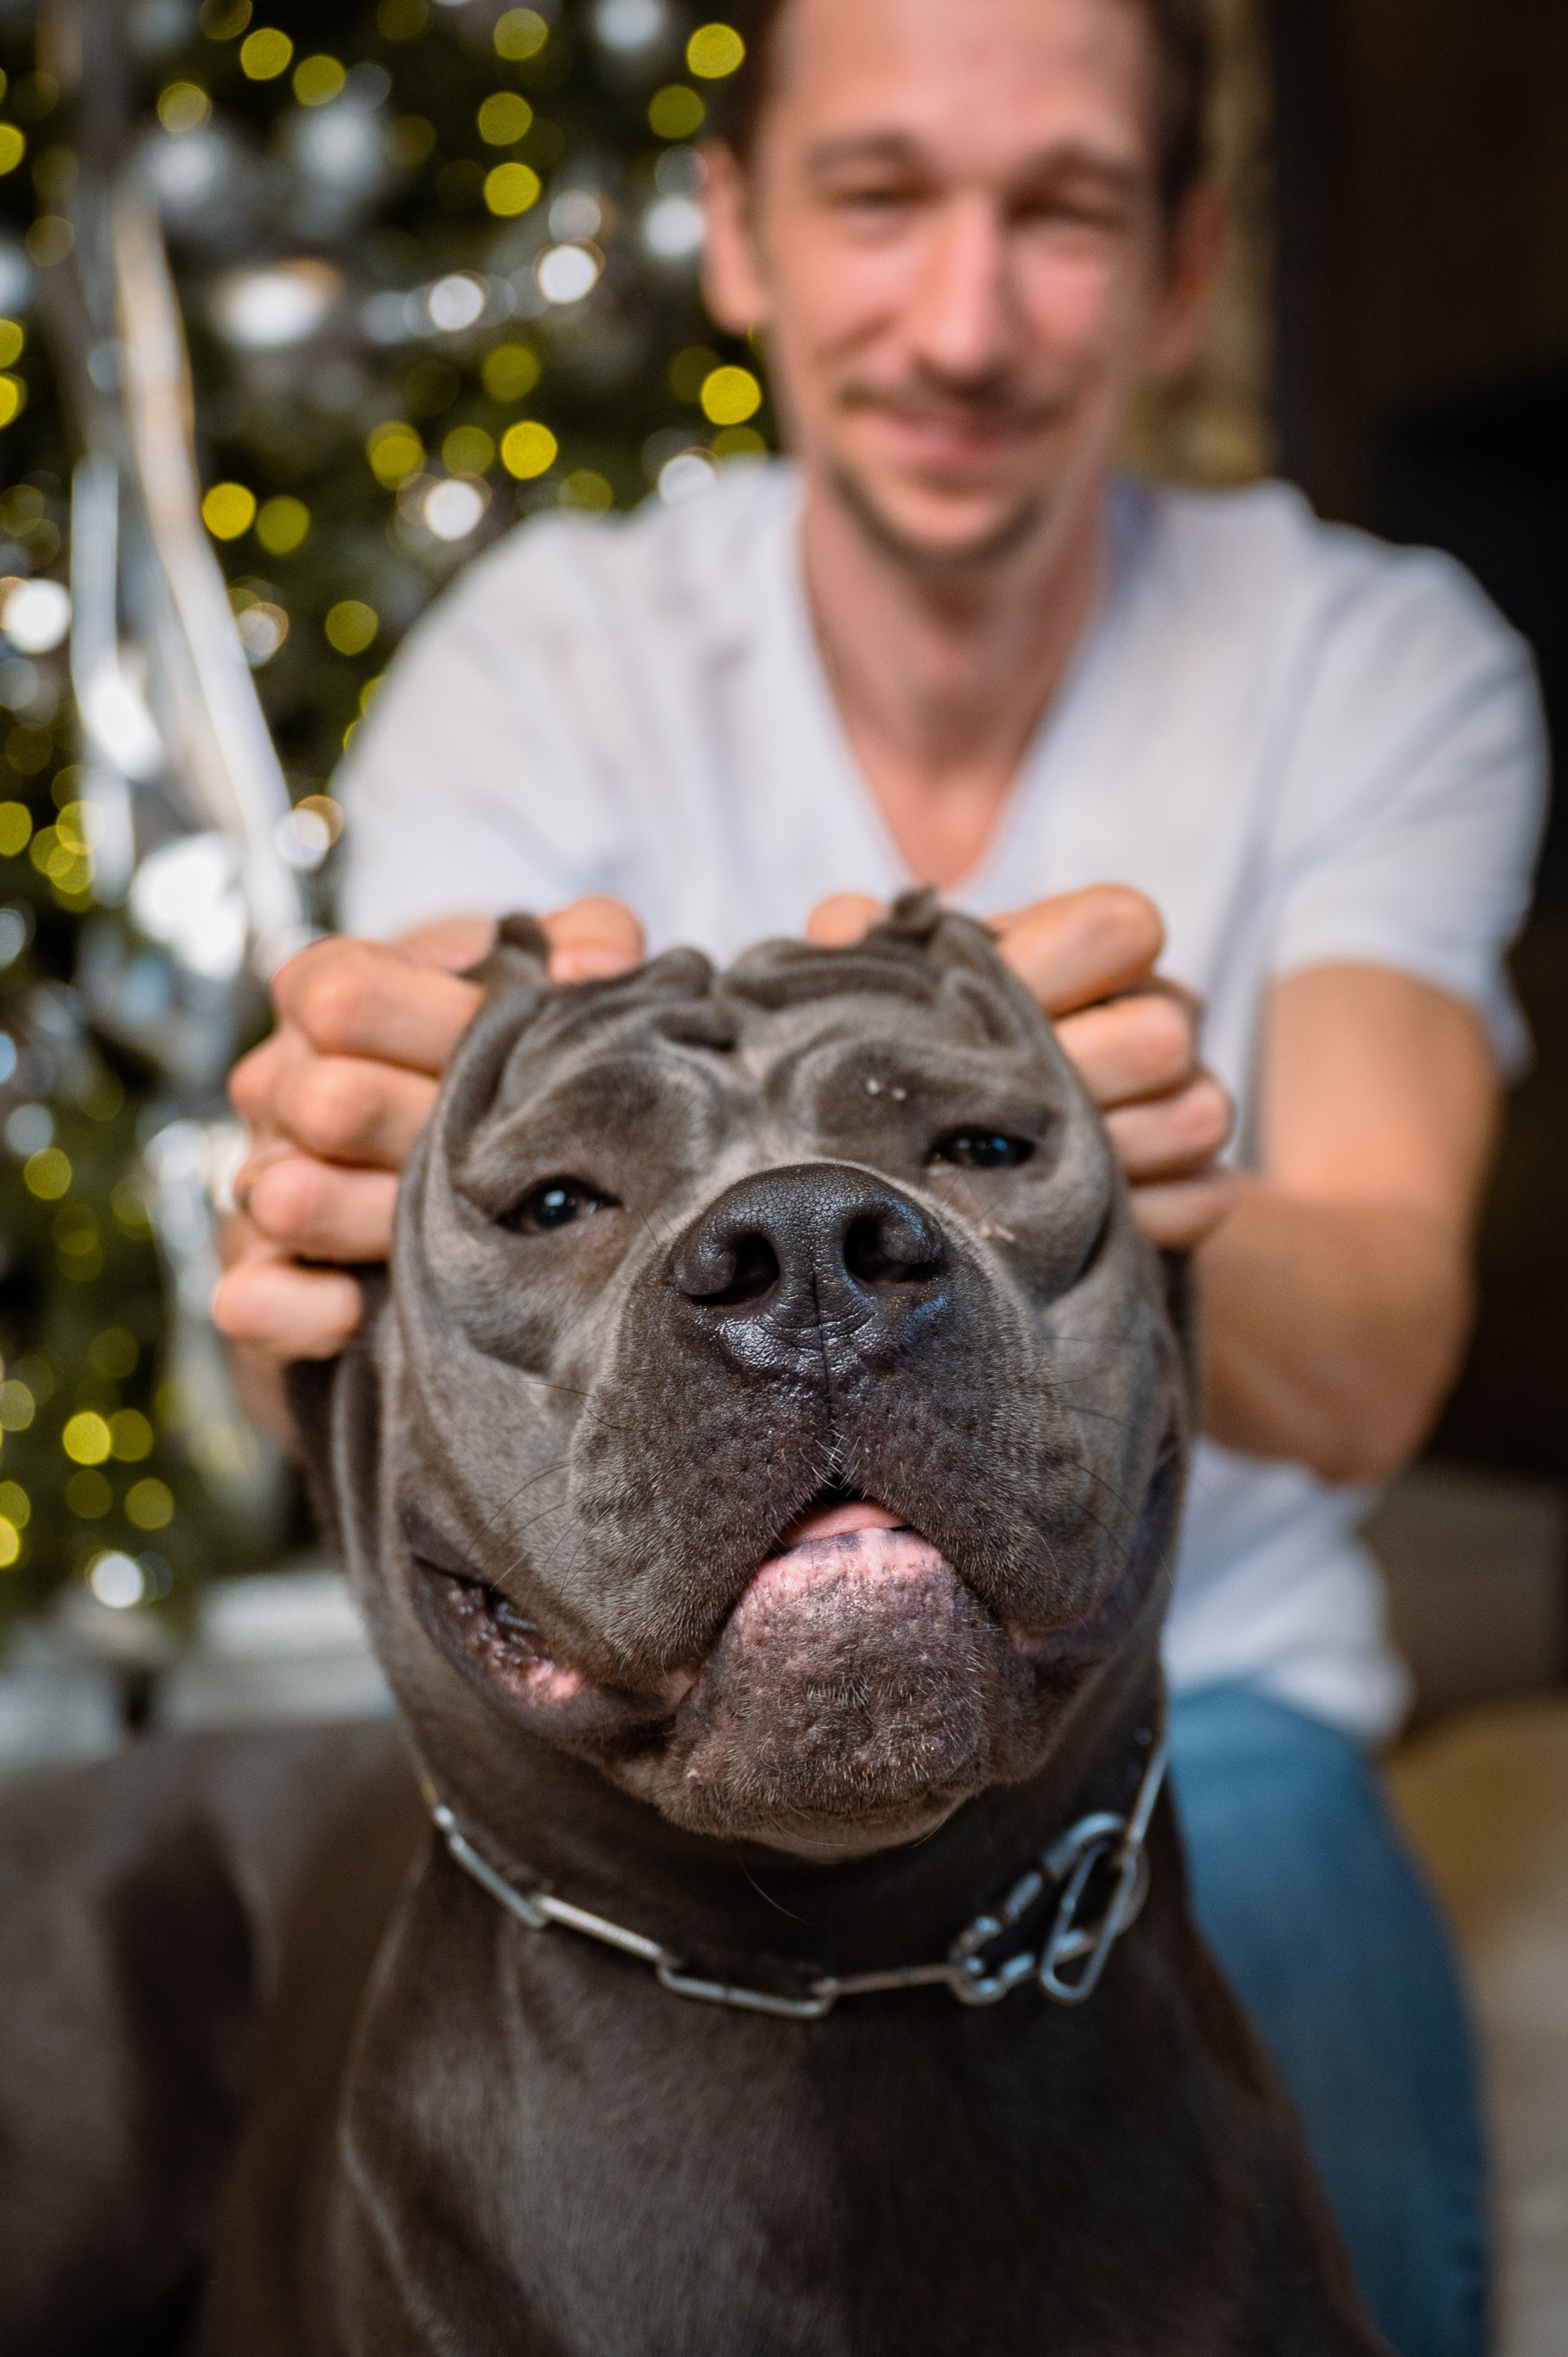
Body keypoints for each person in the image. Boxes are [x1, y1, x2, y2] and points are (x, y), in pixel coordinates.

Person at [214, 0, 1545, 2347]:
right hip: (612, 1782)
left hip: (1202, 1702)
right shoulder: (543, 665)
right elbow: (391, 1355)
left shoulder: (1369, 658)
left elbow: (1381, 1340)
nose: (961, 318)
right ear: (734, 232)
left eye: (1060, 212)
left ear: (1176, 262)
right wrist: (317, 1239)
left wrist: (1123, 1188)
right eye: (878, 195)